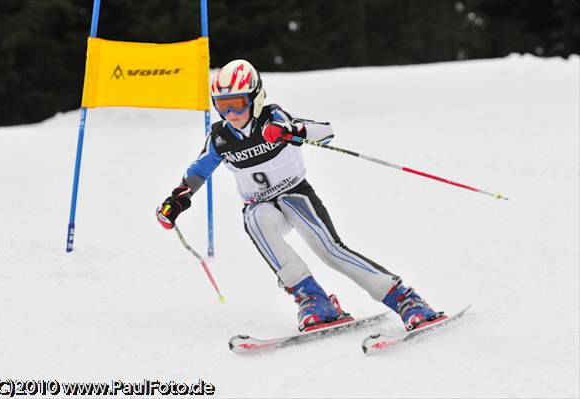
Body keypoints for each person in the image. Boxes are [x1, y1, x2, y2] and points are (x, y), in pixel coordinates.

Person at [156, 59, 442, 332]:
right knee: (254, 220)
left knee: (329, 251)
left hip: (296, 196)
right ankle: (313, 299)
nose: (231, 115)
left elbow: (326, 132)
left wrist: (292, 130)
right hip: (261, 205)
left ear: (254, 98)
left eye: (238, 105)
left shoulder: (273, 117)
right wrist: (178, 199)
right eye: (222, 107)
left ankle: (404, 298)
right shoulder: (220, 137)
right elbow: (199, 169)